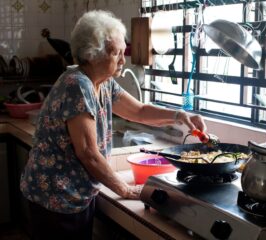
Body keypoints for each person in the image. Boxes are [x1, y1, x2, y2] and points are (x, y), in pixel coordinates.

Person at [19, 10, 207, 240]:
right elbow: (88, 153)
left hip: (75, 193)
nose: (122, 59)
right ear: (93, 54)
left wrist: (180, 116)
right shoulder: (76, 84)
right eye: (115, 52)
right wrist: (125, 189)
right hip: (55, 197)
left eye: (122, 51)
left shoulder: (105, 83)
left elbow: (139, 111)